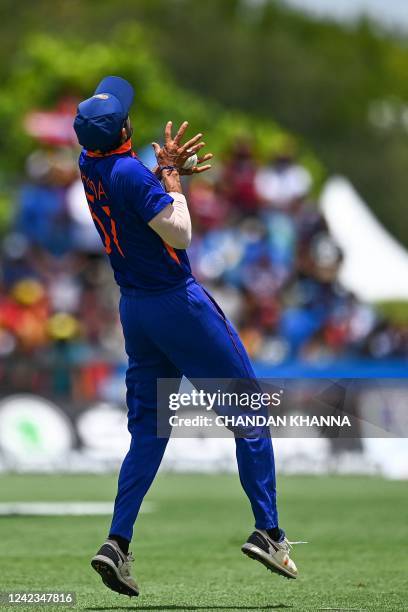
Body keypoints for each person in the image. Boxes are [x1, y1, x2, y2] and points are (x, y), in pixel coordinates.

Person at [73, 76, 300, 598]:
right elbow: (180, 232)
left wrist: (165, 178)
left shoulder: (92, 164)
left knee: (149, 433)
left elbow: (133, 196)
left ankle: (117, 541)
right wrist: (171, 179)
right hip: (178, 304)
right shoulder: (131, 172)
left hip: (136, 309)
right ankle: (269, 531)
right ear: (126, 130)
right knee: (251, 414)